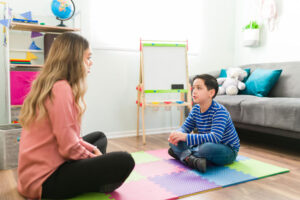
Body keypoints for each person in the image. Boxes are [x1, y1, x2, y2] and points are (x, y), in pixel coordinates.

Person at [18, 33, 135, 199]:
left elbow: (70, 138)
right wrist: (93, 157)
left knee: (98, 138)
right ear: (73, 60)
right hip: (44, 182)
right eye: (87, 57)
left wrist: (93, 151)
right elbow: (68, 148)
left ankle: (91, 173)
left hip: (30, 178)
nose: (91, 62)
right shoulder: (61, 88)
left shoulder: (51, 85)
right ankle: (96, 182)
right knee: (125, 160)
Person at [168, 74, 240, 173]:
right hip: (203, 144)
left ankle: (182, 154)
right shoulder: (196, 109)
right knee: (174, 139)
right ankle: (191, 159)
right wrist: (177, 134)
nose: (194, 91)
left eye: (199, 88)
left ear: (211, 93)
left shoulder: (219, 111)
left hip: (227, 150)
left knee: (205, 148)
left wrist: (184, 137)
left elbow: (215, 138)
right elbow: (185, 128)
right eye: (193, 88)